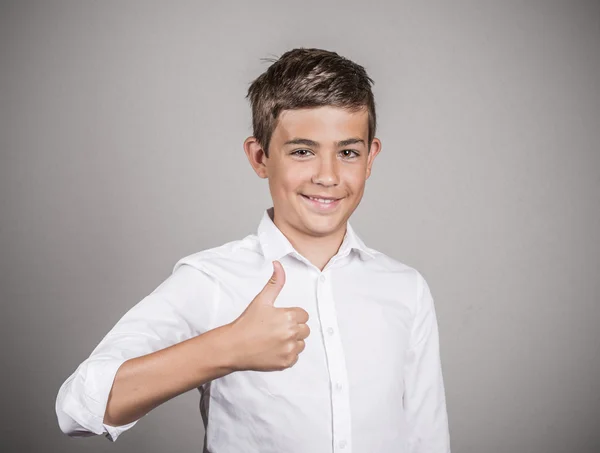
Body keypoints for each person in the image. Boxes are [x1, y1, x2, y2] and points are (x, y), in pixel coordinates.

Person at [55, 47, 451, 453]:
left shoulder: (406, 289)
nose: (329, 176)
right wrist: (227, 348)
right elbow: (76, 410)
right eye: (302, 151)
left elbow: (427, 438)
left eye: (348, 152)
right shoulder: (211, 280)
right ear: (260, 157)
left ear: (370, 158)